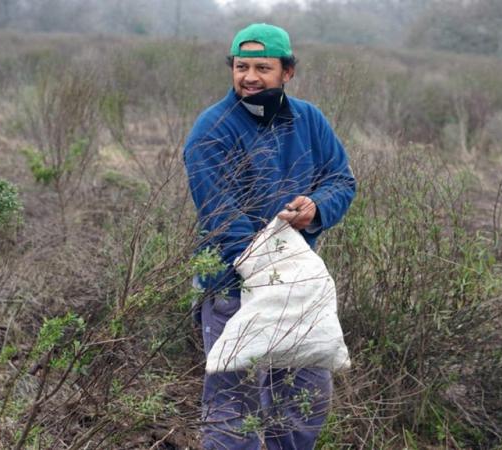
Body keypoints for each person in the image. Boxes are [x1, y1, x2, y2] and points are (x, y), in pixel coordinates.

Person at [183, 23, 356, 449]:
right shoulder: (211, 130)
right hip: (231, 288)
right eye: (241, 66)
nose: (250, 76)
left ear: (288, 72)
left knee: (303, 404)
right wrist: (271, 269)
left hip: (298, 293)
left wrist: (316, 207)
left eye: (263, 66)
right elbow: (220, 215)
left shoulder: (309, 119)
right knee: (231, 409)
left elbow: (340, 179)